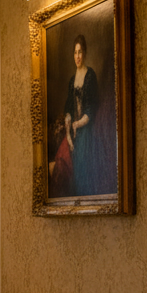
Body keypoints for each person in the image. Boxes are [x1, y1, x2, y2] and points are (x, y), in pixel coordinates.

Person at [52, 33, 101, 197]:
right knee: (62, 161)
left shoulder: (90, 76)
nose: (77, 56)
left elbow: (91, 110)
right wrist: (68, 130)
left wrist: (77, 124)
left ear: (84, 53)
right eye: (75, 52)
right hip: (72, 131)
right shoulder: (72, 80)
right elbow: (68, 107)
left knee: (81, 167)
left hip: (86, 130)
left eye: (80, 52)